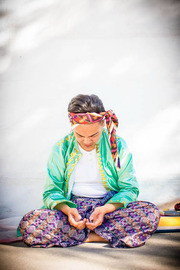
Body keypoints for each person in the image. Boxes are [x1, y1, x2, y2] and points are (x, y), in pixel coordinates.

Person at [17, 94, 160, 248]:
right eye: (79, 135)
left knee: (150, 213)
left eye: (93, 135)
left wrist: (105, 209)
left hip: (107, 209)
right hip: (73, 208)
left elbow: (129, 188)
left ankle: (84, 237)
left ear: (103, 125)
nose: (86, 141)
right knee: (28, 223)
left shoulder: (117, 145)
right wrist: (68, 210)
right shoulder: (61, 148)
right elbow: (51, 191)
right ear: (72, 126)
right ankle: (101, 235)